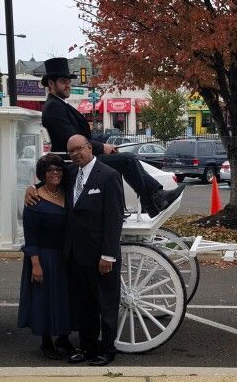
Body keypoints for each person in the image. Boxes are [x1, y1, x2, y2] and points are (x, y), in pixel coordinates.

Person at [26, 57, 184, 216]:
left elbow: (83, 136)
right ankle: (154, 199)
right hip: (74, 162)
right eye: (63, 81)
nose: (68, 85)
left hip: (82, 157)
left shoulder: (59, 104)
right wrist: (102, 147)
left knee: (126, 158)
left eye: (68, 81)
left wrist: (105, 143)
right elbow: (72, 140)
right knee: (127, 160)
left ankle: (152, 199)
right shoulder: (53, 107)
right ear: (51, 84)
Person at [62, 135, 125, 366]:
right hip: (76, 254)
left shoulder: (109, 176)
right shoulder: (70, 174)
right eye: (70, 151)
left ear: (89, 148)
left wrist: (108, 255)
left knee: (106, 304)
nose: (75, 154)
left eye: (79, 149)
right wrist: (31, 187)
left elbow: (114, 218)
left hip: (101, 256)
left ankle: (107, 349)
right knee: (84, 305)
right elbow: (46, 177)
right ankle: (87, 348)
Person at [17, 154, 77, 359]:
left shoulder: (67, 193)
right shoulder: (34, 199)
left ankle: (63, 337)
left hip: (65, 256)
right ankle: (46, 341)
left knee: (65, 299)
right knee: (44, 300)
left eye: (59, 169)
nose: (55, 173)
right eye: (51, 170)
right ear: (43, 173)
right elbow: (30, 236)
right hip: (43, 257)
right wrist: (35, 264)